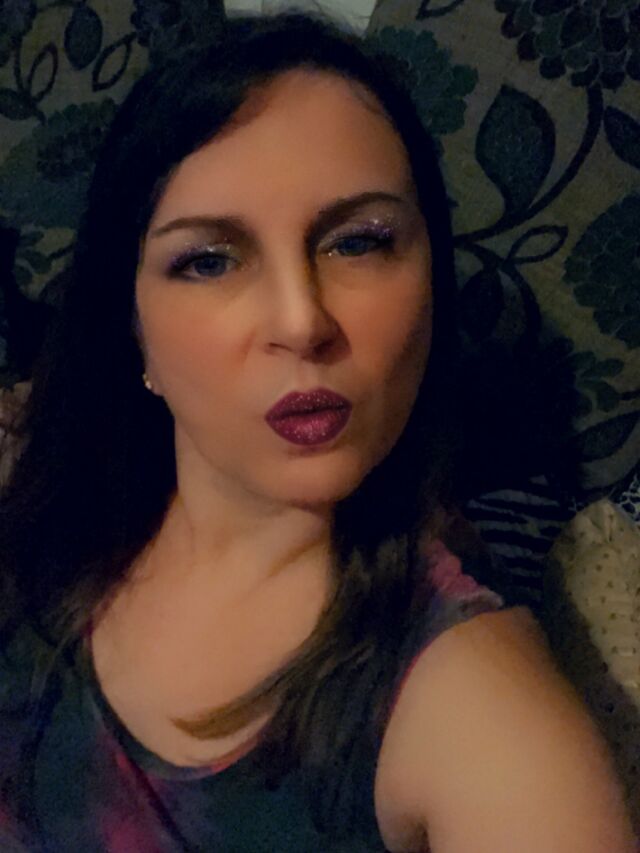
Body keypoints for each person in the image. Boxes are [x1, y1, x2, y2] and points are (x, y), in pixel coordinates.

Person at [0, 10, 635, 852]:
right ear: (133, 328)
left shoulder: (472, 702)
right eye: (210, 260)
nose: (302, 321)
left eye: (359, 243)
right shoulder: (43, 512)